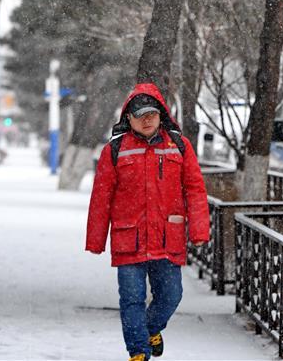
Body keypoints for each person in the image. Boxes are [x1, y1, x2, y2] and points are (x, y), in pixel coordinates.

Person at [86, 83, 210, 361]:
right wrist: (95, 240)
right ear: (128, 117)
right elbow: (101, 198)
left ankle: (150, 329)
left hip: (168, 238)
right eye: (140, 115)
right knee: (131, 299)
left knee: (171, 296)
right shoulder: (115, 149)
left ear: (161, 114)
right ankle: (138, 352)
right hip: (128, 239)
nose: (147, 120)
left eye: (152, 114)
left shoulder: (179, 146)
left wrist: (200, 230)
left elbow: (195, 190)